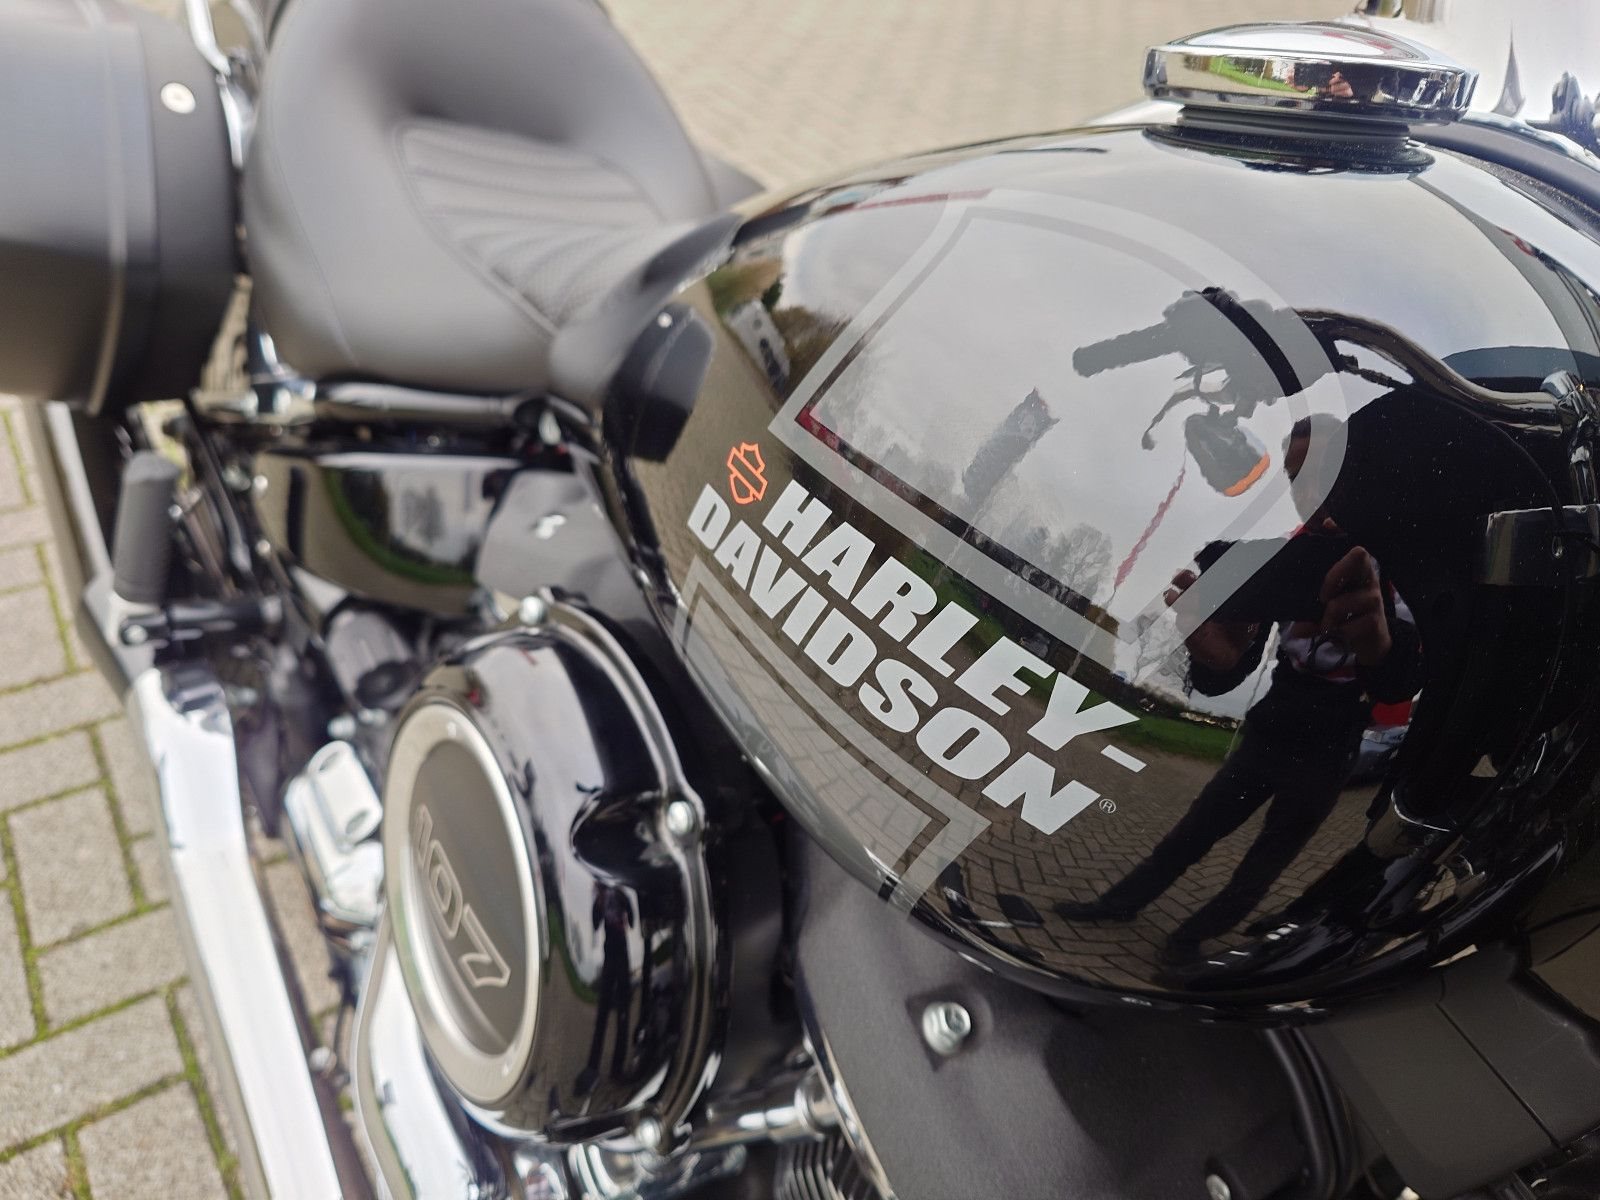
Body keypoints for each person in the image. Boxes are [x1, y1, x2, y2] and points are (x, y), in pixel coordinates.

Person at [1058, 419, 1423, 962]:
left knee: (1263, 865)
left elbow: (1402, 681)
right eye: (1295, 476)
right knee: (1192, 832)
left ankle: (1188, 942)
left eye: (1324, 469)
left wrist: (1379, 646)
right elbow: (1230, 668)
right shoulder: (1284, 560)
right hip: (1267, 733)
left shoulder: (1403, 570)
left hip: (1328, 754)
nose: (1309, 489)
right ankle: (1119, 903)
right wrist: (1212, 656)